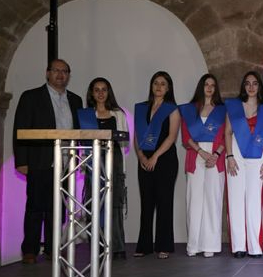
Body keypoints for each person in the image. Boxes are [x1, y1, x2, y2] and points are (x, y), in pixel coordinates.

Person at [13, 59, 83, 264]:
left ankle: (53, 248)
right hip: (39, 160)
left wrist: (78, 158)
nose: (60, 75)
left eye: (65, 71)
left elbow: (79, 132)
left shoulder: (76, 100)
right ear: (47, 73)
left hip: (66, 163)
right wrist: (21, 160)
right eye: (56, 71)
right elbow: (20, 129)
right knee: (35, 206)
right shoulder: (31, 97)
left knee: (58, 208)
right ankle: (30, 250)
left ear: (69, 75)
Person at [77, 77, 129, 260]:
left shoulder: (118, 114)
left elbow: (124, 138)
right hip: (93, 161)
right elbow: (82, 141)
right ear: (92, 93)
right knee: (94, 203)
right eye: (97, 89)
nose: (100, 93)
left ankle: (116, 246)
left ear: (109, 92)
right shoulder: (86, 115)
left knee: (114, 203)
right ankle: (97, 246)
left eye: (104, 89)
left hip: (114, 161)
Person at [225, 71, 263, 258]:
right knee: (235, 200)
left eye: (255, 83)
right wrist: (229, 156)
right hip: (236, 154)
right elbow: (228, 132)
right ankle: (239, 246)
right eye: (247, 83)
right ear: (243, 86)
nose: (251, 87)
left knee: (254, 202)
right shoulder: (234, 106)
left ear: (259, 87)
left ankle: (255, 247)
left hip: (257, 156)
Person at [134, 71, 181, 259]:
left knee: (164, 202)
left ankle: (164, 245)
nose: (159, 87)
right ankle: (144, 245)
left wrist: (155, 157)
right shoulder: (141, 108)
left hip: (165, 160)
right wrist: (141, 156)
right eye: (156, 83)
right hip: (144, 159)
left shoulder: (172, 109)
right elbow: (137, 136)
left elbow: (172, 136)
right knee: (146, 202)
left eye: (163, 84)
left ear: (168, 88)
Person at [180, 74, 226, 258]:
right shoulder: (190, 110)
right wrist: (201, 152)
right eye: (206, 84)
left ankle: (211, 244)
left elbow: (225, 136)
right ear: (201, 87)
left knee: (212, 201)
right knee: (194, 200)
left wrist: (215, 155)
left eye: (212, 85)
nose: (209, 88)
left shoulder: (222, 110)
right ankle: (194, 244)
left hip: (216, 157)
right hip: (195, 155)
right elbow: (185, 137)